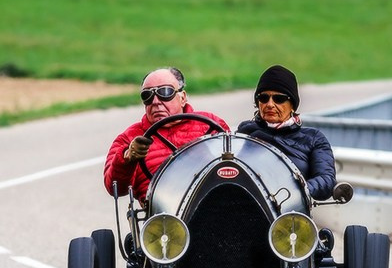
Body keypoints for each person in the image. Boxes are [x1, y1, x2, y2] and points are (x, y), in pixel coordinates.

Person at [104, 67, 229, 201]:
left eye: (165, 92)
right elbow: (114, 188)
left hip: (212, 199)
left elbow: (234, 163)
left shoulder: (211, 123)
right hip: (162, 212)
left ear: (183, 97)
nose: (156, 102)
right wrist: (127, 157)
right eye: (147, 96)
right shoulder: (130, 138)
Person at [236, 64, 336, 201]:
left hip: (291, 213)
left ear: (292, 105)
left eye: (279, 99)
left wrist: (300, 189)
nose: (270, 104)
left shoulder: (313, 138)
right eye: (264, 98)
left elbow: (327, 180)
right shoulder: (244, 132)